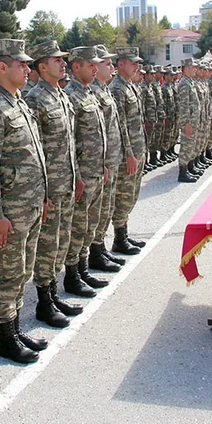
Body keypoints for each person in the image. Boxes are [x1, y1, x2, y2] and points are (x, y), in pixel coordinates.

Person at [0, 38, 49, 364]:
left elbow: (35, 155)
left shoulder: (19, 103)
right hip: (11, 210)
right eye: (20, 64)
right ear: (2, 67)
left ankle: (17, 327)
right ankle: (6, 339)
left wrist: (44, 195)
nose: (27, 68)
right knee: (8, 274)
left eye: (27, 63)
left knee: (23, 270)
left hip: (31, 204)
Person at [25, 40, 83, 328]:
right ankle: (43, 302)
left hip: (67, 183)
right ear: (41, 66)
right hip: (50, 188)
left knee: (60, 243)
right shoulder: (35, 99)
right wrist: (43, 192)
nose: (63, 63)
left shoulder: (60, 95)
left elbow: (69, 144)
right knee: (47, 247)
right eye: (56, 59)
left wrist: (77, 177)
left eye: (64, 59)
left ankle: (53, 293)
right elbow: (35, 150)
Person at [63, 46, 108, 297]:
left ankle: (82, 269)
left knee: (89, 225)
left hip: (95, 171)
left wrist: (102, 166)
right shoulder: (71, 95)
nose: (95, 68)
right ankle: (72, 275)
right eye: (90, 64)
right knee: (78, 227)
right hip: (82, 176)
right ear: (76, 66)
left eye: (96, 65)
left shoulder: (89, 93)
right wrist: (77, 177)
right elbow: (70, 141)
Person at [91, 45, 137, 262]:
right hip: (104, 161)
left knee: (108, 207)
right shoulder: (96, 91)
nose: (111, 67)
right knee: (99, 211)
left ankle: (103, 248)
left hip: (114, 157)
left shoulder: (106, 89)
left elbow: (119, 125)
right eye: (106, 63)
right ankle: (96, 252)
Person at [110, 47, 149, 250]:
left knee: (132, 194)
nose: (136, 66)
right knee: (124, 195)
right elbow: (121, 124)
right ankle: (119, 238)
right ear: (121, 64)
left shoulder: (130, 86)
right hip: (129, 152)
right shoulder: (117, 88)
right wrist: (129, 154)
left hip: (138, 147)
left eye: (137, 63)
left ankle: (124, 232)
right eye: (132, 63)